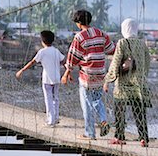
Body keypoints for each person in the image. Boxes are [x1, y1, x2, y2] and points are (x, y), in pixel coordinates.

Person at [61, 9, 115, 140]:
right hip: (100, 74)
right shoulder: (101, 33)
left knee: (86, 104)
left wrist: (67, 72)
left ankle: (90, 133)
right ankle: (103, 120)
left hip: (87, 75)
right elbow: (111, 50)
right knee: (97, 100)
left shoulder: (79, 37)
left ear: (79, 23)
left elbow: (73, 56)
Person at [104, 18, 151, 147]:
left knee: (120, 111)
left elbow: (115, 62)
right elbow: (147, 61)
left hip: (123, 86)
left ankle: (119, 137)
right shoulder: (142, 44)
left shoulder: (122, 43)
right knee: (139, 112)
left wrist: (107, 80)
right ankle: (143, 138)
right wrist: (142, 76)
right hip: (138, 85)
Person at [16, 30, 65, 127]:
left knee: (48, 99)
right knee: (55, 98)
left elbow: (32, 62)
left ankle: (51, 120)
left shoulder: (42, 52)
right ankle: (55, 118)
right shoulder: (56, 51)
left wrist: (22, 70)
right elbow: (64, 61)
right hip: (56, 78)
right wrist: (68, 73)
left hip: (47, 79)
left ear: (42, 41)